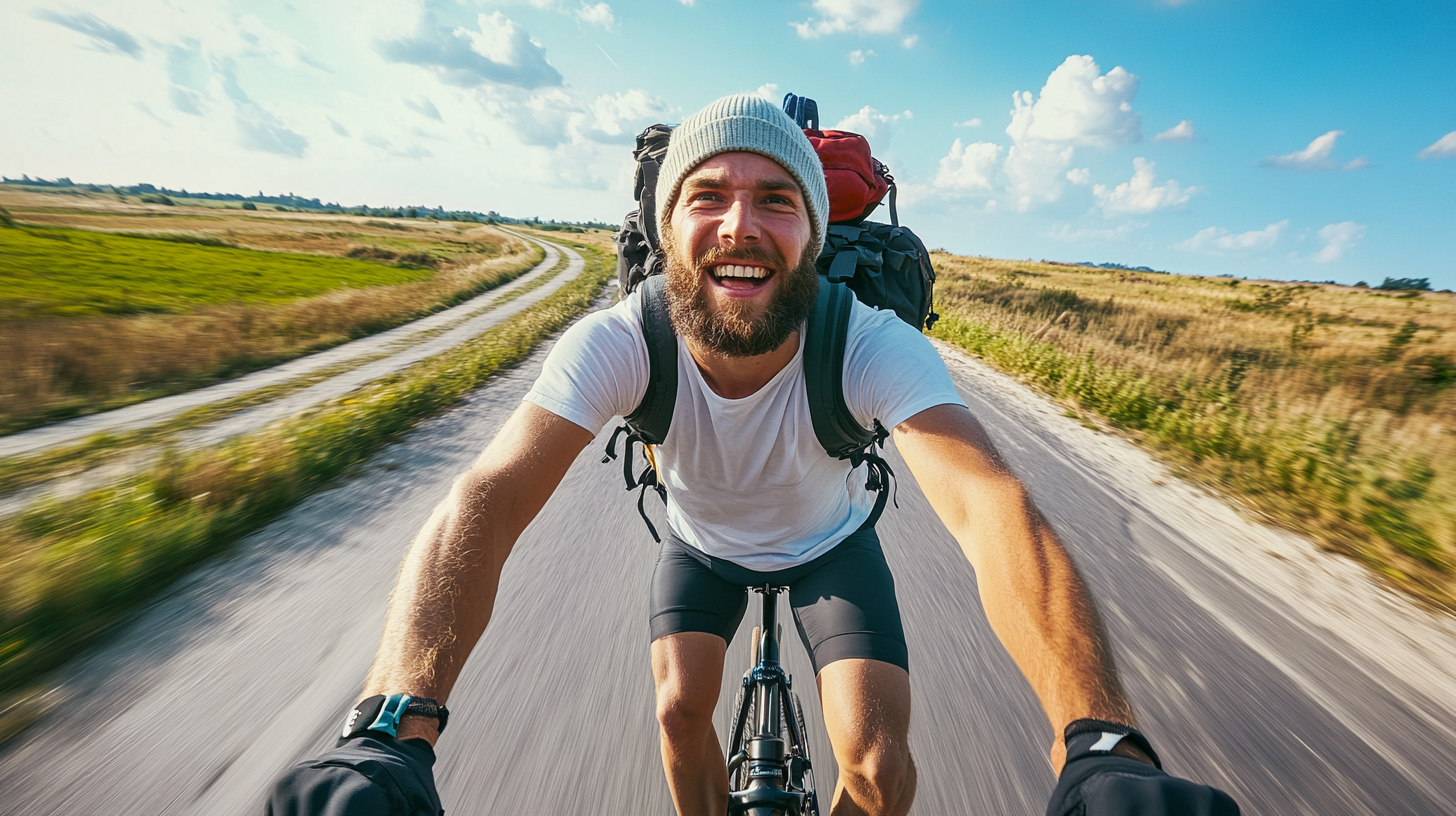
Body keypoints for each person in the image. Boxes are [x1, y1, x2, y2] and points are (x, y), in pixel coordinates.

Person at [268, 94, 1238, 816]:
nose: (739, 224)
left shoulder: (864, 340)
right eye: (707, 197)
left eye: (776, 199)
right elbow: (484, 499)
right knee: (680, 712)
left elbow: (995, 512)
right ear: (666, 227)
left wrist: (1100, 739)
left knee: (873, 761)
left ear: (813, 238)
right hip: (703, 543)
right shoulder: (622, 341)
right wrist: (392, 725)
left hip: (829, 548)